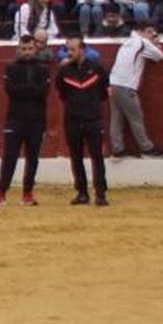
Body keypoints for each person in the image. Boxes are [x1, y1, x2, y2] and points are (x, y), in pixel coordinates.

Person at [0, 33, 53, 207]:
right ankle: (1, 191)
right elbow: (11, 91)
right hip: (15, 119)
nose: (27, 52)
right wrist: (31, 90)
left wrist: (23, 90)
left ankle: (27, 192)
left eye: (30, 49)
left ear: (35, 49)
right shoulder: (11, 68)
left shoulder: (42, 68)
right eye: (24, 49)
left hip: (36, 119)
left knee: (32, 157)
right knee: (9, 156)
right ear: (19, 49)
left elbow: (43, 92)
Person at [56, 36, 110, 206]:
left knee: (97, 156)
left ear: (82, 49)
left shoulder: (97, 69)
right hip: (73, 119)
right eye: (68, 50)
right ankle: (82, 193)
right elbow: (62, 94)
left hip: (92, 118)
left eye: (72, 49)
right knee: (76, 157)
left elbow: (103, 93)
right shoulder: (64, 71)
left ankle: (100, 193)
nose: (69, 53)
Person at [109, 23, 163, 159]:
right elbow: (159, 55)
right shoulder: (142, 42)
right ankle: (146, 148)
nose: (151, 35)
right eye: (149, 32)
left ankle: (117, 149)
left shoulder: (127, 42)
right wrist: (155, 43)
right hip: (126, 85)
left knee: (117, 118)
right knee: (136, 117)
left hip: (114, 83)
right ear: (140, 32)